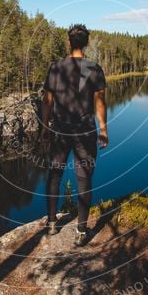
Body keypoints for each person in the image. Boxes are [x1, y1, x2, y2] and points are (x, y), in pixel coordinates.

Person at [40, 23, 108, 246]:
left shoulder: (56, 67)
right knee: (84, 178)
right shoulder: (93, 68)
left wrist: (44, 127)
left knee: (55, 174)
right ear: (86, 43)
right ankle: (81, 231)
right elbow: (100, 102)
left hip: (60, 128)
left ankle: (51, 223)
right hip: (85, 131)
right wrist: (103, 128)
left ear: (69, 43)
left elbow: (47, 100)